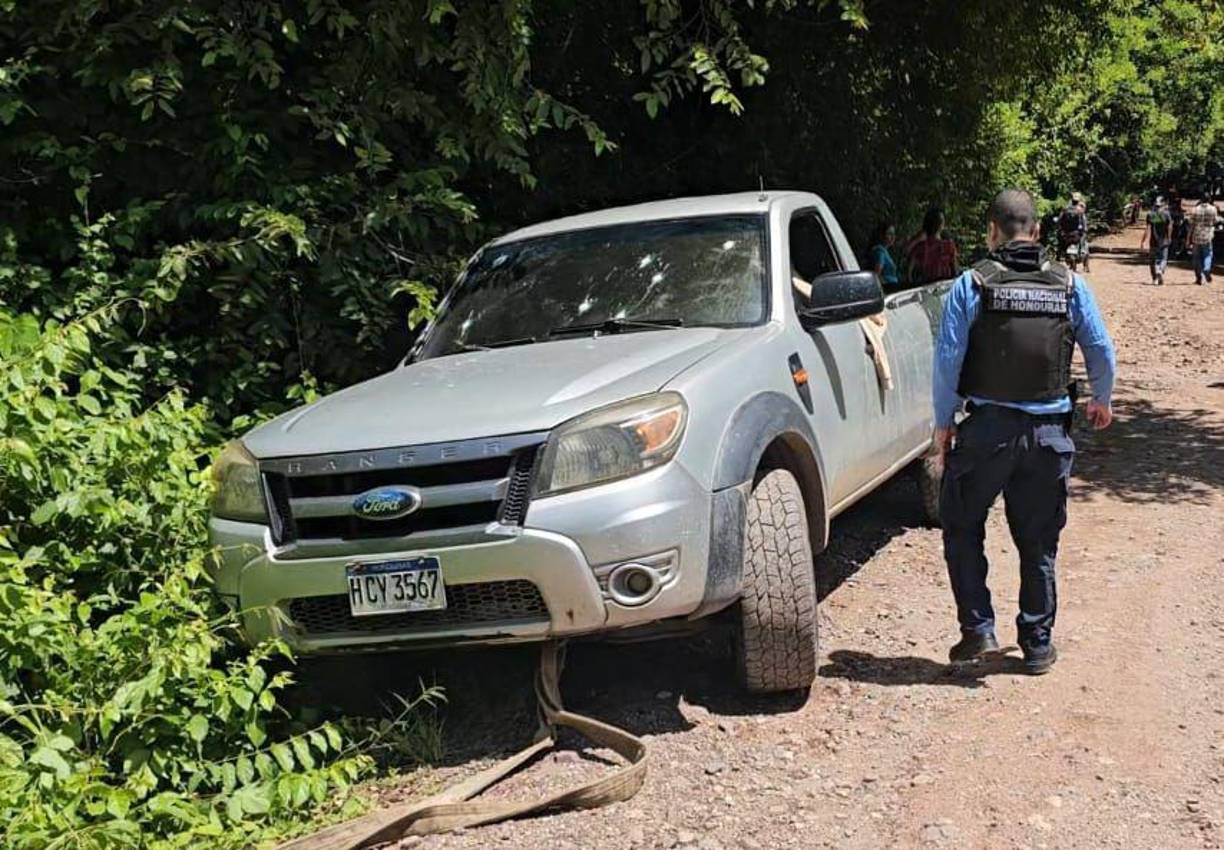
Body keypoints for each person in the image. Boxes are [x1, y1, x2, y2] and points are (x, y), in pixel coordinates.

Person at [932, 189, 1116, 675]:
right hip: (1048, 432)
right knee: (1037, 540)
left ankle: (978, 630)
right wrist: (1101, 398)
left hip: (987, 431)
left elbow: (948, 361)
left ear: (993, 230)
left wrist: (943, 424)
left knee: (962, 525)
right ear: (1036, 232)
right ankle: (1036, 645)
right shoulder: (1070, 285)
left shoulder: (971, 285)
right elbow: (1100, 349)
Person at [905, 207, 959, 284]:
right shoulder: (949, 246)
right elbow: (955, 271)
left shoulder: (919, 247)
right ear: (941, 225)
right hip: (945, 287)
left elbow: (909, 273)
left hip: (926, 288)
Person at [1139, 196, 1173, 285]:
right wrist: (1169, 237)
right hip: (1164, 240)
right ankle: (1160, 270)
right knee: (1164, 259)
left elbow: (1148, 229)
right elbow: (1169, 227)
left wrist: (1143, 241)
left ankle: (1154, 278)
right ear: (1162, 204)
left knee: (1152, 260)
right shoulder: (1166, 214)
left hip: (1153, 241)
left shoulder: (1151, 215)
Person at [1187, 194, 1218, 285]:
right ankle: (1206, 269)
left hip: (1196, 236)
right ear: (1209, 199)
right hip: (1207, 236)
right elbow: (1215, 221)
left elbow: (1191, 225)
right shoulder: (1213, 209)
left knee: (1196, 257)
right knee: (1207, 254)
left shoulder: (1195, 209)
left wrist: (1188, 238)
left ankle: (1199, 277)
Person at [866, 222, 901, 289]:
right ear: (882, 235)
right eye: (889, 234)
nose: (893, 237)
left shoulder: (885, 251)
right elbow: (877, 274)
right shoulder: (880, 252)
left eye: (894, 234)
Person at [1056, 194, 1087, 268]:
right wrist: (1084, 229)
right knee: (1083, 243)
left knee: (1060, 244)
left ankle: (1058, 256)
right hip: (1076, 234)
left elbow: (1059, 220)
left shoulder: (1065, 209)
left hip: (1066, 234)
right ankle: (1083, 254)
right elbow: (1083, 222)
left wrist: (1060, 228)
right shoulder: (1080, 209)